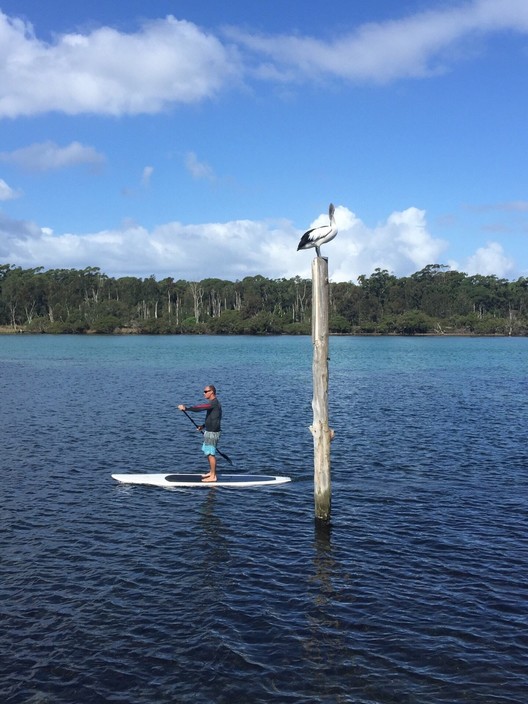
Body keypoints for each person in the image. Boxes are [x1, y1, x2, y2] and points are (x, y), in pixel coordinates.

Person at [178, 385, 222, 482]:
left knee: (211, 454)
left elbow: (200, 408)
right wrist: (203, 426)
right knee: (207, 453)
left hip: (213, 433)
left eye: (206, 391)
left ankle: (213, 476)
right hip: (209, 431)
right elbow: (212, 418)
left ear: (212, 392)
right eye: (204, 391)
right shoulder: (212, 404)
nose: (204, 393)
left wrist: (186, 408)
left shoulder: (214, 403)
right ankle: (211, 472)